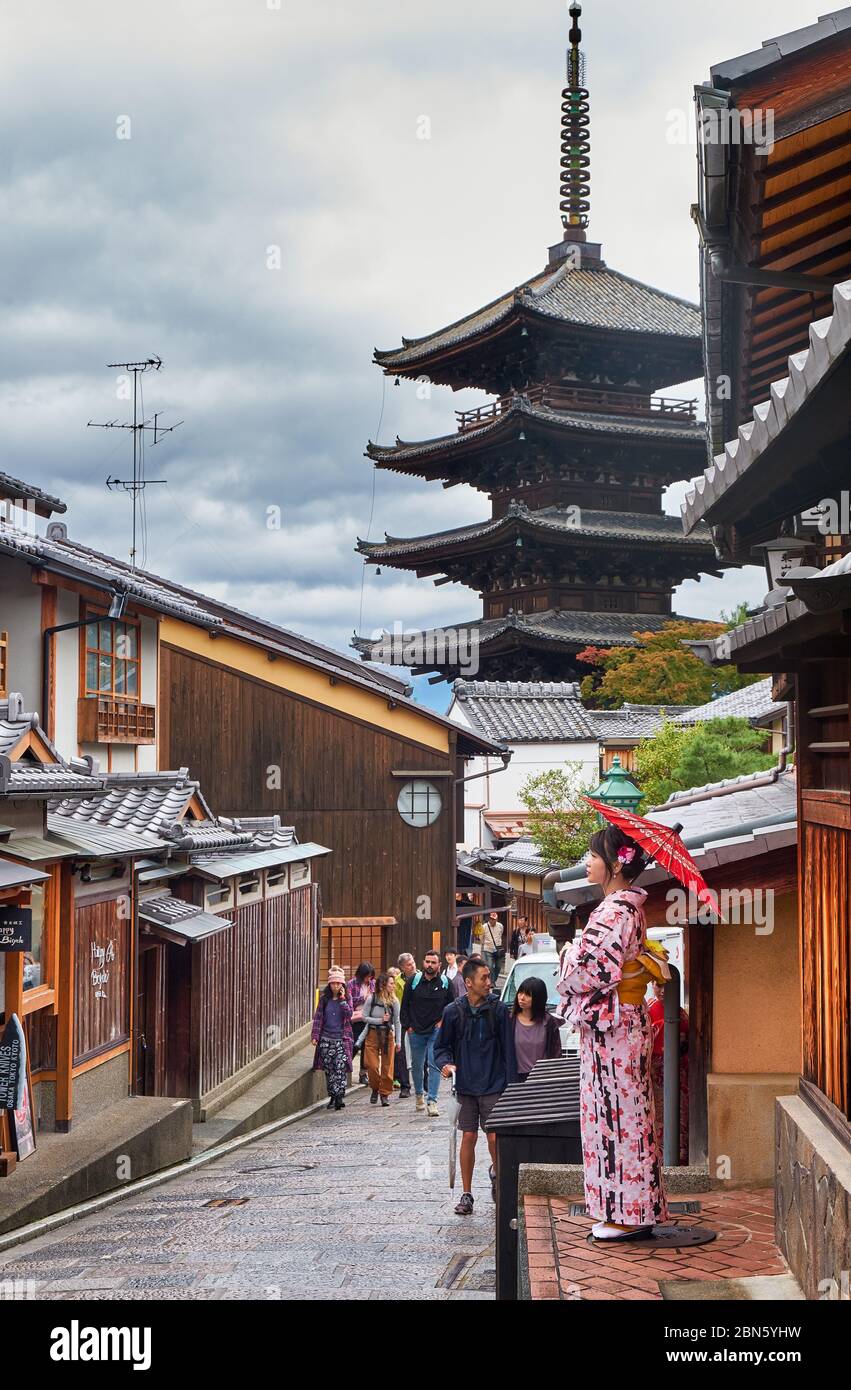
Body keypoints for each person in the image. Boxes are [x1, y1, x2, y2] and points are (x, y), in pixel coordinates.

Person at [556, 824, 669, 1241]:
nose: (588, 862)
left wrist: (568, 952)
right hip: (623, 1023)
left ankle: (628, 1213)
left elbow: (587, 971)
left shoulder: (615, 910)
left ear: (616, 865)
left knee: (619, 1116)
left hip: (615, 1027)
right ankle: (627, 1208)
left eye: (593, 855)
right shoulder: (626, 908)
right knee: (624, 1114)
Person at [435, 957, 517, 1217]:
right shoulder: (453, 1012)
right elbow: (441, 1048)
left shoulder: (499, 1010)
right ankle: (467, 1193)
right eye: (484, 978)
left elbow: (509, 1049)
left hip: (494, 1084)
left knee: (494, 1137)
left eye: (489, 977)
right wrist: (446, 1065)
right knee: (468, 1136)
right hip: (467, 1086)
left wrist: (511, 1086)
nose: (489, 982)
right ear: (468, 982)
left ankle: (497, 1173)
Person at [400, 949, 452, 1116]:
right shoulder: (413, 981)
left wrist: (443, 1023)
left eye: (433, 962)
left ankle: (432, 1100)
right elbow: (404, 1006)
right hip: (415, 1030)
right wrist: (408, 1026)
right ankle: (419, 1094)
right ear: (423, 963)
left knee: (434, 1063)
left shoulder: (445, 983)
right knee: (416, 1066)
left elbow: (452, 1007)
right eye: (427, 961)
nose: (430, 965)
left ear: (439, 965)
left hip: (435, 1031)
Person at [648, 981, 689, 1165]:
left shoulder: (680, 1013)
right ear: (652, 985)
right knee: (656, 1112)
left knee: (679, 1110)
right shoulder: (647, 1009)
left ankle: (679, 1153)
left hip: (677, 1071)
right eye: (659, 986)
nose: (663, 991)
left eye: (667, 987)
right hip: (654, 1071)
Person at [311, 966, 353, 1111]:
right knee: (329, 1069)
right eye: (333, 983)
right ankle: (333, 1096)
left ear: (342, 985)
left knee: (340, 1068)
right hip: (326, 1039)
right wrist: (315, 1036)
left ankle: (339, 1096)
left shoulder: (347, 998)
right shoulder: (324, 1000)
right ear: (329, 984)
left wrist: (342, 1000)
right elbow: (318, 1018)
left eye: (338, 983)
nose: (336, 986)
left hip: (341, 1039)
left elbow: (349, 1015)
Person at [361, 971, 402, 1107]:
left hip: (388, 1035)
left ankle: (384, 1094)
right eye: (391, 983)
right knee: (371, 1065)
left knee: (387, 1066)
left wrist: (398, 1041)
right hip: (372, 1034)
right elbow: (364, 1017)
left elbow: (397, 1021)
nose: (393, 986)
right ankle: (375, 1087)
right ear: (383, 985)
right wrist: (380, 1020)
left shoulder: (394, 1001)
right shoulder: (371, 999)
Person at [512, 976, 563, 1080]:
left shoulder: (548, 1022)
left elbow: (556, 1054)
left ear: (538, 998)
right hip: (515, 1079)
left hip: (541, 1079)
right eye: (520, 993)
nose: (521, 998)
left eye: (527, 995)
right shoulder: (510, 1021)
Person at [347, 962, 375, 1085]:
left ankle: (363, 1074)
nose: (369, 979)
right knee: (355, 1044)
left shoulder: (373, 983)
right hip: (356, 1019)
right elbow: (349, 1001)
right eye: (367, 976)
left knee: (367, 1047)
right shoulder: (352, 984)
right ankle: (346, 1067)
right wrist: (364, 998)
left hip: (369, 1017)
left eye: (370, 976)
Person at [394, 953, 417, 1097]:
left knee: (419, 1053)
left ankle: (423, 1084)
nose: (413, 966)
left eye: (413, 962)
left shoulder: (422, 977)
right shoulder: (397, 981)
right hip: (402, 1020)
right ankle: (405, 1086)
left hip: (420, 1020)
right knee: (400, 1053)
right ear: (402, 968)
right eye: (409, 964)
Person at [481, 911, 504, 984]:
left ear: (496, 919)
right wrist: (484, 944)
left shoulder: (500, 926)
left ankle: (494, 979)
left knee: (498, 966)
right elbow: (481, 937)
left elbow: (501, 933)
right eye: (491, 919)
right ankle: (492, 981)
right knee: (490, 966)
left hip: (498, 949)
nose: (492, 920)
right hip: (488, 948)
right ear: (489, 919)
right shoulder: (484, 926)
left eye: (494, 919)